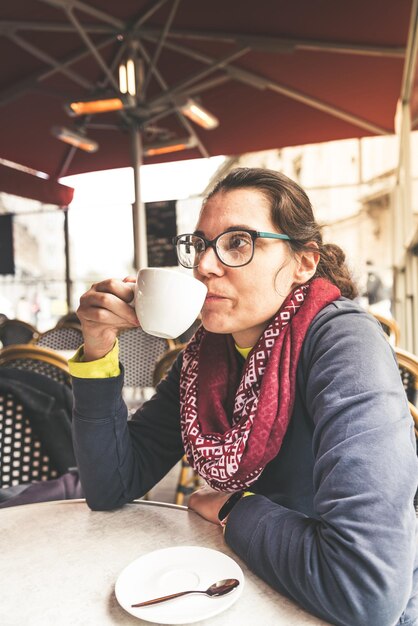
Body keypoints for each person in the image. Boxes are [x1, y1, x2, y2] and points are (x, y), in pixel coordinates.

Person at [70, 168, 418, 626]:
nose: (204, 266)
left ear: (303, 262)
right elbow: (112, 485)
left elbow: (364, 590)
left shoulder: (344, 342)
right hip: (247, 583)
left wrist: (235, 506)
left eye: (238, 242)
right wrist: (98, 346)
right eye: (200, 245)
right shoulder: (206, 356)